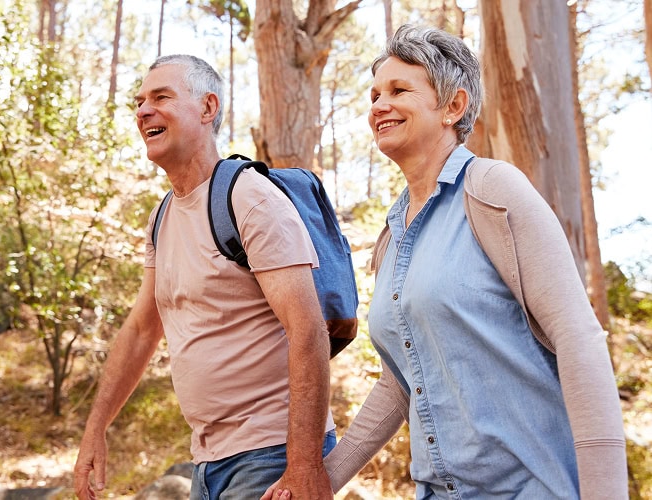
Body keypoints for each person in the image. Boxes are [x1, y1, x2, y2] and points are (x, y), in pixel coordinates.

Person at [265, 23, 628, 500]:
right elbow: (400, 382)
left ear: (453, 107)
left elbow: (577, 337)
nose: (378, 105)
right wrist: (320, 477)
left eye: (398, 90)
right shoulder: (392, 234)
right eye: (374, 95)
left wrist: (606, 493)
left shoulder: (492, 189)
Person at [73, 54, 335, 500]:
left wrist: (304, 465)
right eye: (139, 102)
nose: (143, 111)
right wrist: (95, 429)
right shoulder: (163, 215)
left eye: (161, 97)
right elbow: (141, 329)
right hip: (209, 462)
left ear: (207, 108)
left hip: (271, 457)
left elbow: (308, 330)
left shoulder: (250, 199)